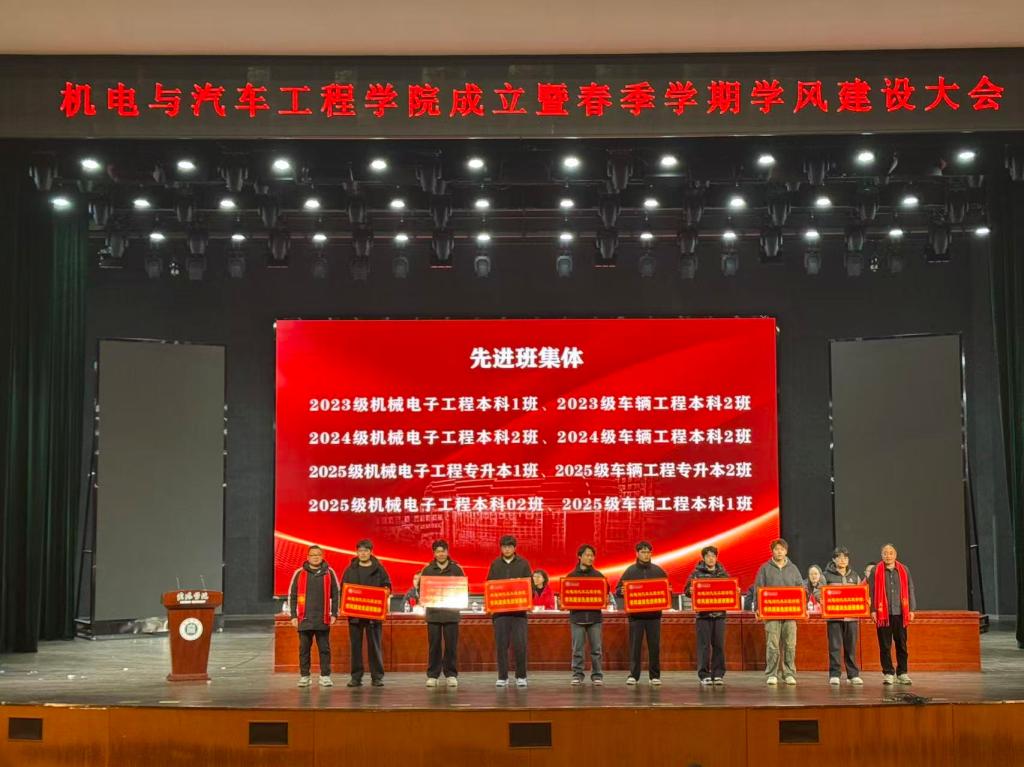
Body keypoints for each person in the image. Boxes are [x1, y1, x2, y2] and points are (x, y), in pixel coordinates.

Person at [615, 541, 668, 686]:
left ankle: (655, 676)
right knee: (635, 647)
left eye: (648, 552)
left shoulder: (658, 571)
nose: (646, 554)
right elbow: (618, 590)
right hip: (635, 617)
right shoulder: (630, 571)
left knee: (654, 647)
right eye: (643, 552)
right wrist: (621, 591)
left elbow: (667, 589)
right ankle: (633, 675)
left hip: (654, 616)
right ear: (637, 554)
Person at [341, 539, 392, 687]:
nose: (363, 553)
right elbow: (344, 589)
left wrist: (386, 591)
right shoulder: (350, 569)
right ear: (357, 552)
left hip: (373, 615)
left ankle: (377, 677)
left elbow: (387, 585)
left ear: (370, 552)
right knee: (355, 647)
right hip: (355, 615)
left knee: (374, 646)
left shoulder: (379, 569)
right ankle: (356, 677)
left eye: (365, 551)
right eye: (360, 551)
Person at [288, 544, 340, 688]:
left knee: (324, 649)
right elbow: (293, 595)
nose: (315, 557)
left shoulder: (329, 573)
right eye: (313, 555)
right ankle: (305, 676)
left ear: (322, 556)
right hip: (304, 619)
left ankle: (325, 676)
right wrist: (293, 615)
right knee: (304, 650)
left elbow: (336, 595)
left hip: (322, 618)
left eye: (318, 555)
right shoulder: (300, 573)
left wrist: (334, 613)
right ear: (308, 557)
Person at [753, 537, 803, 686]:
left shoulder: (793, 569)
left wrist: (802, 607)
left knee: (790, 644)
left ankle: (789, 673)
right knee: (772, 645)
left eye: (782, 549)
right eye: (776, 549)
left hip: (790, 613)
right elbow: (758, 588)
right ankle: (772, 674)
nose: (779, 552)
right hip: (771, 613)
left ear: (786, 551)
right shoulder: (764, 568)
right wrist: (757, 607)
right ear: (772, 551)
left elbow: (801, 589)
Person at [486, 534, 532, 688]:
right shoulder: (495, 564)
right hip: (500, 613)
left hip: (519, 613)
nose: (507, 549)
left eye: (510, 547)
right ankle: (502, 677)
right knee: (501, 646)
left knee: (520, 645)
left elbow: (529, 586)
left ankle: (521, 676)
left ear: (514, 548)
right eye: (504, 547)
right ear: (501, 548)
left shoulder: (523, 564)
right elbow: (490, 585)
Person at [684, 545, 733, 686]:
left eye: (713, 556)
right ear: (703, 558)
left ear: (716, 558)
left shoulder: (723, 574)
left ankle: (718, 674)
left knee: (719, 645)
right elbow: (686, 591)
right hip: (703, 616)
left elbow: (729, 590)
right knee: (704, 646)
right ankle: (704, 675)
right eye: (708, 556)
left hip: (719, 616)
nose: (711, 559)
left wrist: (733, 591)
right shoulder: (696, 574)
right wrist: (690, 591)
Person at [868, 543, 917, 685]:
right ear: (881, 555)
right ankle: (888, 673)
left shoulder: (904, 569)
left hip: (900, 613)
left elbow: (910, 588)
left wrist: (912, 609)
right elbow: (871, 591)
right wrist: (873, 610)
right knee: (885, 646)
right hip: (883, 614)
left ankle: (902, 673)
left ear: (895, 555)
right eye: (885, 553)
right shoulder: (876, 570)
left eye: (891, 553)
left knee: (901, 645)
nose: (888, 556)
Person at [420, 540, 465, 688]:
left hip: (451, 614)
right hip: (433, 615)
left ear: (447, 552)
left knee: (451, 646)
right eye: (438, 551)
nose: (441, 554)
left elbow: (463, 589)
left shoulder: (456, 569)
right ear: (434, 553)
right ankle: (433, 675)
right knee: (434, 646)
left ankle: (451, 674)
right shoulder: (428, 570)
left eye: (443, 551)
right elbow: (422, 590)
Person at [565, 544, 607, 686]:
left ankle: (597, 675)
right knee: (577, 649)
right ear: (579, 557)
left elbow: (605, 593)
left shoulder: (599, 576)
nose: (590, 558)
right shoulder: (571, 577)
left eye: (592, 556)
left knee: (596, 650)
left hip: (595, 618)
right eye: (587, 555)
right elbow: (566, 596)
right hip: (577, 618)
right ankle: (577, 675)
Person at [822, 546, 863, 685]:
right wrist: (821, 599)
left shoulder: (854, 576)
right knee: (835, 647)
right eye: (839, 557)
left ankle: (853, 675)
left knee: (851, 646)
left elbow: (861, 592)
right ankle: (835, 674)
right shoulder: (826, 575)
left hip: (852, 617)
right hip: (834, 617)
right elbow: (818, 591)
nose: (843, 560)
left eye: (845, 557)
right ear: (834, 559)